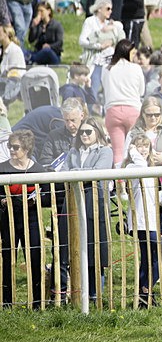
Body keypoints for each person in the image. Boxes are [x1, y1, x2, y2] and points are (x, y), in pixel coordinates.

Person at [61, 117, 114, 301]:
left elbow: (98, 172)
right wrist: (79, 174)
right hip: (73, 203)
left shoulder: (105, 151)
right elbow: (63, 173)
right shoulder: (73, 152)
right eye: (82, 132)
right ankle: (77, 293)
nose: (84, 135)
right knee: (73, 248)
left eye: (88, 132)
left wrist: (75, 174)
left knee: (94, 250)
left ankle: (94, 294)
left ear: (97, 132)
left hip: (94, 204)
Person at [123, 134, 162, 308]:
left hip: (150, 219)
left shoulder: (149, 169)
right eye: (139, 146)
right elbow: (141, 166)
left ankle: (145, 298)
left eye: (146, 146)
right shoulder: (132, 166)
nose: (143, 149)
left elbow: (153, 198)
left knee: (148, 259)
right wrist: (132, 150)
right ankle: (146, 289)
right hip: (141, 221)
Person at [0, 129, 47, 308]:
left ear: (26, 148)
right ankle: (7, 302)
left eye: (16, 147)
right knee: (7, 258)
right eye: (9, 146)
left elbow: (48, 194)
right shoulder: (2, 168)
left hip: (32, 219)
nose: (12, 150)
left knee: (34, 257)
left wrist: (37, 199)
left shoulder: (37, 169)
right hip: (8, 219)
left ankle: (37, 301)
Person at [101, 39, 145, 167]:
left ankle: (120, 183)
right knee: (135, 148)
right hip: (133, 110)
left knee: (118, 151)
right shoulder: (136, 68)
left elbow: (104, 87)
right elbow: (141, 91)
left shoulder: (107, 69)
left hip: (113, 111)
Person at [126, 96, 162, 166]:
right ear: (142, 114)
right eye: (149, 115)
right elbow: (125, 157)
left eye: (157, 115)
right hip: (140, 173)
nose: (153, 118)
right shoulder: (133, 134)